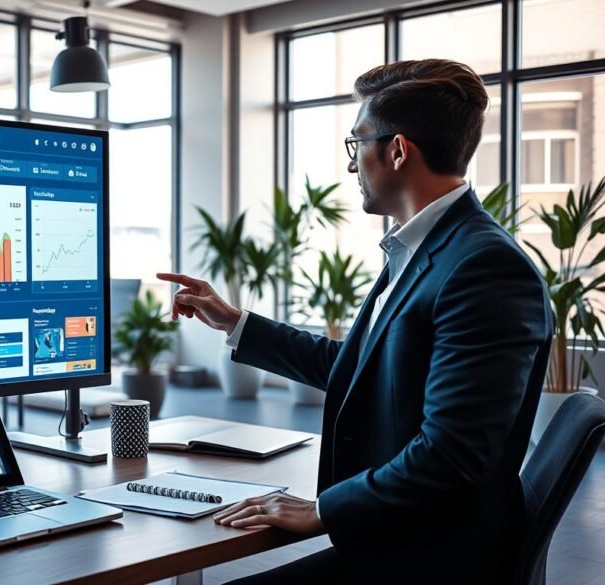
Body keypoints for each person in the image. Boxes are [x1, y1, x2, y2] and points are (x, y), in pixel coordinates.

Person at [159, 59, 553, 585]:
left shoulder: (485, 267)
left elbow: (451, 456)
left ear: (397, 151)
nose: (352, 166)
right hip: (396, 542)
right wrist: (234, 322)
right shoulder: (424, 250)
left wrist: (322, 510)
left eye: (357, 144)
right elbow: (359, 367)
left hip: (426, 563)